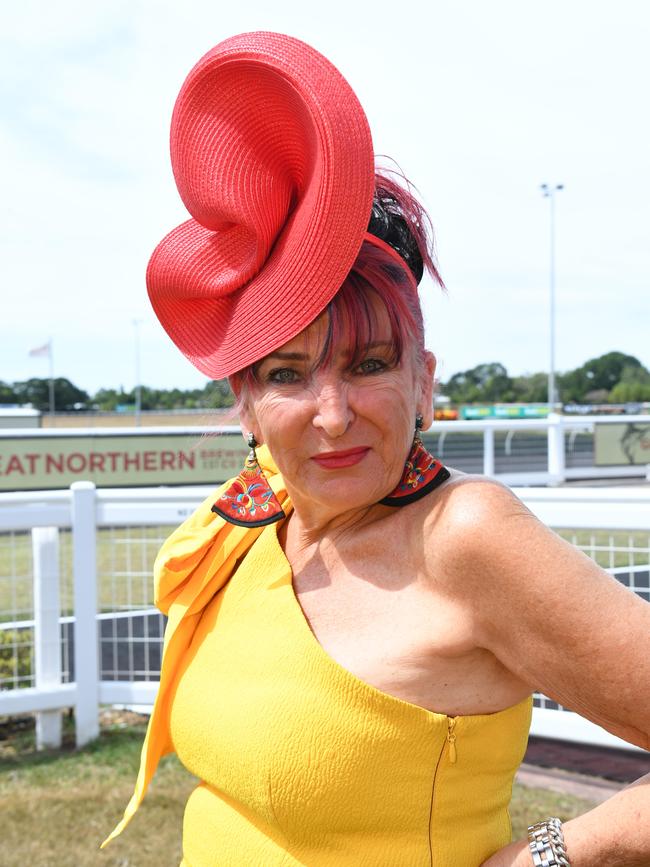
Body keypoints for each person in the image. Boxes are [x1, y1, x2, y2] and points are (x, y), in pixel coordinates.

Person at [102, 31, 650, 866]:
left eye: (369, 363)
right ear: (245, 402)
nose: (331, 415)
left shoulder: (463, 538)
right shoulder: (252, 525)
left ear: (424, 382)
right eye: (289, 373)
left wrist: (551, 857)